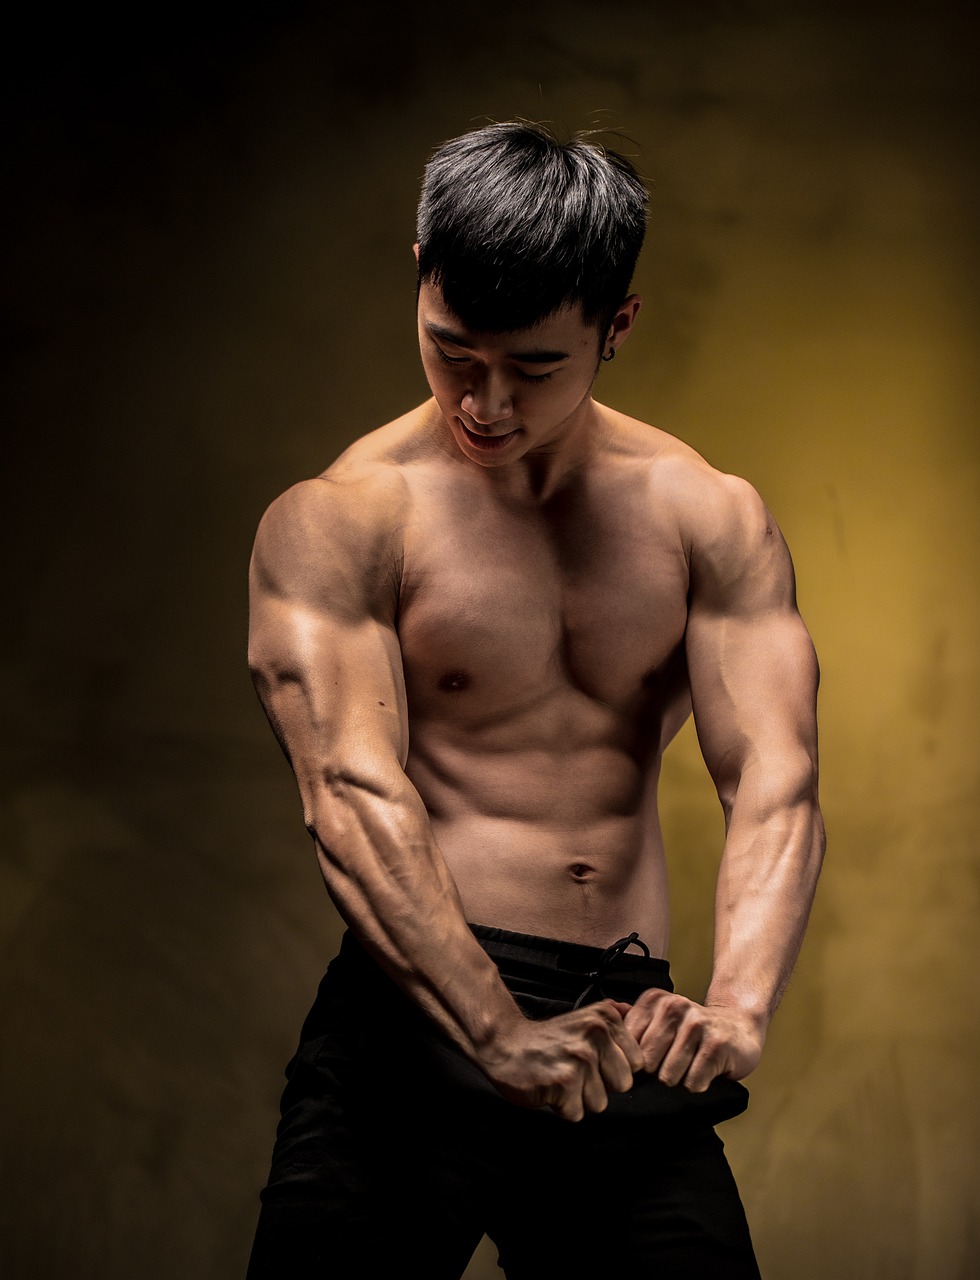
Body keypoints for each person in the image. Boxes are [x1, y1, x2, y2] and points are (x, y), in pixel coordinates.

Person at [244, 121, 825, 1279]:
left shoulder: (703, 515)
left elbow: (774, 778)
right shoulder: (344, 519)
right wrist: (494, 1028)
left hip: (618, 1030)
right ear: (420, 271)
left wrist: (739, 1003)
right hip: (411, 1020)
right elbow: (350, 793)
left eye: (534, 366)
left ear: (617, 324)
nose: (485, 400)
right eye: (452, 350)